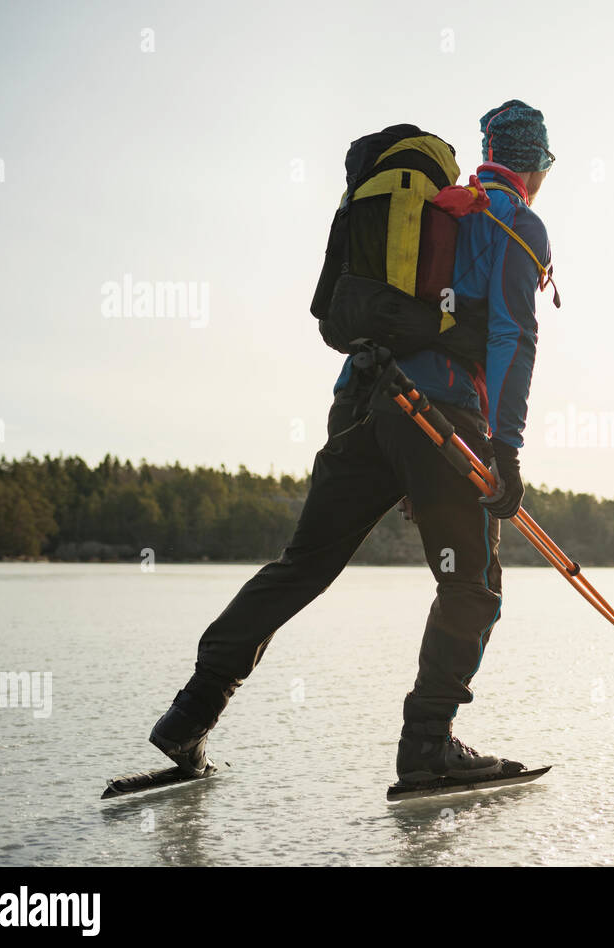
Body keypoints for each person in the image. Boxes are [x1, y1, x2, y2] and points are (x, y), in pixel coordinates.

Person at [148, 100, 553, 785]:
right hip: (439, 414)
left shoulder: (440, 206)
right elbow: (513, 336)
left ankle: (191, 713)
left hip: (362, 402)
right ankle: (428, 742)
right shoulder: (514, 221)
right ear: (537, 166)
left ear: (484, 152)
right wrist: (505, 448)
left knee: (302, 564)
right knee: (472, 584)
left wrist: (393, 463)